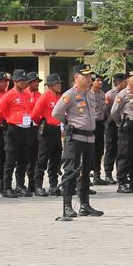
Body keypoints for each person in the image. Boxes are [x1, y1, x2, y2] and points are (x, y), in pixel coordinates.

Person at [51, 64, 103, 221]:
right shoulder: (70, 94)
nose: (88, 79)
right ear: (76, 78)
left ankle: (84, 205)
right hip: (75, 138)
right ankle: (67, 205)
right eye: (85, 77)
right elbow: (56, 113)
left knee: (86, 172)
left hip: (89, 138)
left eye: (89, 77)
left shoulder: (90, 94)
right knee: (70, 171)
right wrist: (69, 123)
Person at [0, 70, 36, 198]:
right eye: (21, 81)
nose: (24, 83)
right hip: (13, 129)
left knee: (23, 158)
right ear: (15, 81)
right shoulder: (9, 95)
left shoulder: (26, 95)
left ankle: (20, 185)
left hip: (25, 128)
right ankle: (6, 187)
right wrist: (8, 120)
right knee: (10, 159)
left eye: (25, 81)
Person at [30, 73, 64, 196]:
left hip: (57, 129)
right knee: (42, 158)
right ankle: (38, 185)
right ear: (50, 85)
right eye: (57, 84)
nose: (59, 86)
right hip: (46, 130)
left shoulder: (59, 97)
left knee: (56, 158)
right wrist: (42, 122)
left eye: (60, 83)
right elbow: (34, 115)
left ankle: (53, 185)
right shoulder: (44, 97)